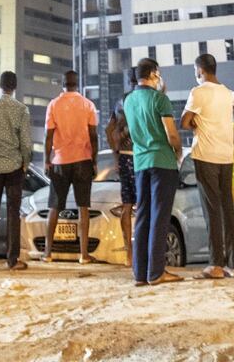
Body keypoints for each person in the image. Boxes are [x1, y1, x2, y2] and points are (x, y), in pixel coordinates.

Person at [123, 57, 183, 286]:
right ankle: (157, 272)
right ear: (154, 74)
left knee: (143, 217)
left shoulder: (129, 101)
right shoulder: (160, 100)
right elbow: (172, 134)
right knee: (160, 217)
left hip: (140, 163)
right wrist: (177, 152)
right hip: (162, 162)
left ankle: (140, 273)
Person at [181, 54, 234, 279]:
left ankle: (215, 264)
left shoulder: (198, 92)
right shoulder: (227, 93)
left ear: (200, 70)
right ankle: (233, 265)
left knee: (211, 210)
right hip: (226, 155)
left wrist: (197, 123)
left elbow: (184, 122)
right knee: (227, 209)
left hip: (206, 155)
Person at [42, 70, 98, 264]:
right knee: (83, 207)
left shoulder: (54, 105)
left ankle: (48, 253)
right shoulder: (88, 105)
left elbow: (48, 136)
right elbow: (93, 136)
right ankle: (83, 254)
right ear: (77, 83)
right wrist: (94, 160)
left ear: (62, 83)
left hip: (60, 161)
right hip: (83, 159)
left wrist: (46, 160)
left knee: (54, 207)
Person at [0, 70, 32, 271]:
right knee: (13, 212)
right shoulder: (21, 109)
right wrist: (25, 162)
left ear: (0, 86)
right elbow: (26, 143)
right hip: (14, 167)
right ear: (14, 87)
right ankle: (12, 259)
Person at [105, 68, 137, 266]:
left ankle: (129, 253)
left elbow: (109, 129)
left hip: (125, 158)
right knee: (144, 207)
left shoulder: (120, 101)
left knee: (127, 205)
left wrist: (115, 153)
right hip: (142, 157)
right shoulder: (143, 98)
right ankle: (142, 250)